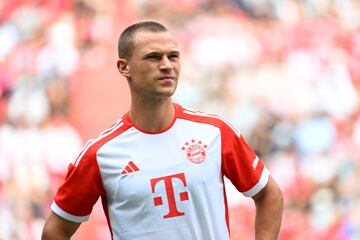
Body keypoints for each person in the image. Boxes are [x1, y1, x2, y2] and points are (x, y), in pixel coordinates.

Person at [41, 21, 283, 240]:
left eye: (173, 56)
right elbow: (55, 231)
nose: (167, 65)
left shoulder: (215, 132)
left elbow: (269, 195)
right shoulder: (100, 154)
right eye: (153, 57)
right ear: (124, 67)